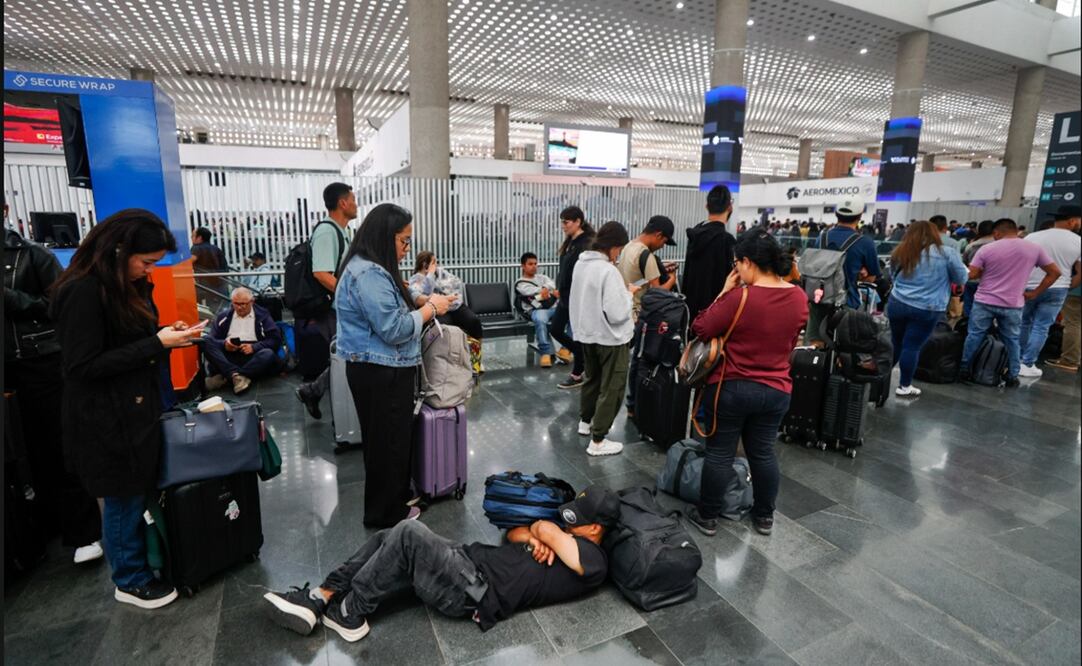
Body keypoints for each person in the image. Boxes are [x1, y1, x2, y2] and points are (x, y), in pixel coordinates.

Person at [51, 209, 201, 609]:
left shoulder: (121, 286)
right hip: (103, 418)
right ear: (119, 250)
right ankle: (130, 580)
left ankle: (139, 566)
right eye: (146, 262)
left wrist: (166, 337)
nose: (147, 271)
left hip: (134, 409)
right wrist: (157, 345)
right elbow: (84, 365)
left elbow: (126, 340)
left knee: (135, 492)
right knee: (122, 497)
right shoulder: (83, 291)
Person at [261, 486, 617, 642]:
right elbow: (516, 534)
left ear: (596, 529)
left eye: (578, 520)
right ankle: (323, 595)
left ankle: (352, 611)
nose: (569, 523)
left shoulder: (595, 562)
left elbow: (548, 531)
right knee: (389, 536)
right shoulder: (568, 541)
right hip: (467, 560)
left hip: (473, 591)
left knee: (408, 532)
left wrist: (548, 534)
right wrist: (539, 537)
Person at [335, 203, 455, 526]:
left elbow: (391, 304)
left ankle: (390, 503)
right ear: (386, 237)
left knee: (385, 443)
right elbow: (394, 328)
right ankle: (387, 514)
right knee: (388, 445)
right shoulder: (369, 273)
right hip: (381, 372)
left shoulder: (368, 265)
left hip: (379, 369)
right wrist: (431, 307)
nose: (406, 248)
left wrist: (417, 300)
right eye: (404, 241)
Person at [684, 229, 807, 537]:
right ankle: (764, 516)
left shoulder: (740, 297)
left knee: (720, 453)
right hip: (777, 389)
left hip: (733, 387)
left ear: (748, 262)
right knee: (763, 453)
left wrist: (724, 292)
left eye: (737, 263)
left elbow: (701, 327)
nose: (736, 270)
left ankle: (708, 516)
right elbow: (791, 340)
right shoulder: (798, 296)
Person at [4, 201, 103, 566]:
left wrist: (11, 298)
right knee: (20, 455)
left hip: (37, 362)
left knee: (56, 446)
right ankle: (32, 530)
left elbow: (56, 305)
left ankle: (83, 531)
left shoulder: (32, 256)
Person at [959, 218, 1061, 387]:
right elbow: (1054, 272)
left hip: (985, 301)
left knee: (975, 335)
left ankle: (964, 369)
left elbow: (972, 274)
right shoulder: (1034, 249)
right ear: (1015, 230)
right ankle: (1012, 375)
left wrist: (985, 272)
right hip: (1013, 303)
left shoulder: (987, 249)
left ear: (997, 232)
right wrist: (1035, 292)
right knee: (1012, 339)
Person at [570, 221, 637, 456]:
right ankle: (598, 440)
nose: (618, 255)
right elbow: (617, 314)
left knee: (592, 380)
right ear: (613, 246)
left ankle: (585, 423)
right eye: (619, 249)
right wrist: (629, 295)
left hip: (587, 333)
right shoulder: (608, 271)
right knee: (613, 387)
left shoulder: (581, 264)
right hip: (611, 338)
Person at [885, 221, 968, 397]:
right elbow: (961, 277)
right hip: (927, 307)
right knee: (912, 347)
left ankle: (881, 379)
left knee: (896, 342)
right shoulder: (947, 253)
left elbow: (893, 275)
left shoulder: (900, 251)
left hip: (898, 302)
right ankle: (904, 386)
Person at [295, 182, 356, 419]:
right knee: (345, 357)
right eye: (353, 199)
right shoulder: (327, 231)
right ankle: (315, 393)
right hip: (331, 308)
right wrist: (349, 296)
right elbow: (321, 273)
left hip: (338, 306)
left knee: (346, 356)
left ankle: (313, 391)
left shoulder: (341, 232)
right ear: (343, 203)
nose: (355, 203)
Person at [617, 215, 677, 419]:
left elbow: (636, 279)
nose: (662, 246)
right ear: (658, 235)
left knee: (634, 358)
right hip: (641, 315)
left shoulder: (627, 247)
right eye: (664, 241)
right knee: (640, 360)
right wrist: (673, 279)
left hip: (626, 310)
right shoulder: (647, 255)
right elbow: (658, 294)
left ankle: (632, 403)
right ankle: (635, 403)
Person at [805, 196, 880, 345]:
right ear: (859, 216)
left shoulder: (822, 237)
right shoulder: (865, 242)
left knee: (815, 342)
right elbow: (872, 278)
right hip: (846, 301)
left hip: (819, 297)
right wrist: (860, 274)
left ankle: (813, 363)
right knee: (844, 345)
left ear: (836, 214)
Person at [1018, 204, 1082, 378]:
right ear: (1072, 221)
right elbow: (1080, 272)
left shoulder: (1032, 236)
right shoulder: (1078, 241)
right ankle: (1028, 363)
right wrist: (1069, 285)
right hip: (1058, 288)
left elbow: (1020, 261)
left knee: (1024, 323)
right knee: (1041, 327)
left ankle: (1017, 360)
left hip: (1029, 286)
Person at [409, 251, 484, 374]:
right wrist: (430, 275)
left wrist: (443, 290)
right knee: (445, 328)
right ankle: (448, 363)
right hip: (437, 309)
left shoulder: (441, 272)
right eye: (434, 262)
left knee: (473, 321)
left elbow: (455, 283)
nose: (437, 265)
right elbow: (424, 293)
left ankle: (476, 358)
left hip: (453, 306)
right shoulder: (416, 279)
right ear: (425, 264)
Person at [203, 287, 283, 393]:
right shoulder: (223, 317)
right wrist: (225, 344)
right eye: (237, 304)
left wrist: (254, 347)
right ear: (232, 302)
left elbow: (275, 340)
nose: (240, 308)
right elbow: (213, 340)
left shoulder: (263, 316)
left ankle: (230, 377)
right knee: (205, 340)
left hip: (253, 355)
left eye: (244, 304)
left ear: (252, 302)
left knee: (267, 354)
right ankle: (238, 376)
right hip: (229, 354)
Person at [550, 206, 595, 389]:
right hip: (566, 297)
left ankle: (577, 373)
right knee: (556, 330)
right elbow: (565, 270)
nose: (563, 226)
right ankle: (581, 356)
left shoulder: (587, 243)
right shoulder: (571, 242)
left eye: (566, 222)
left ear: (578, 222)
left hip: (577, 298)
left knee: (577, 334)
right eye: (562, 222)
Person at [682, 185, 736, 324]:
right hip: (715, 314)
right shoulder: (727, 241)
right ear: (730, 207)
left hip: (691, 311)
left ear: (707, 206)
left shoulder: (695, 235)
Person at [515, 252, 562, 368]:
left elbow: (552, 283)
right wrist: (549, 291)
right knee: (540, 320)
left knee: (572, 315)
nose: (534, 266)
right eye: (530, 264)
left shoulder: (542, 277)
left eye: (535, 264)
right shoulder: (520, 283)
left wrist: (546, 288)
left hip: (553, 308)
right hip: (536, 310)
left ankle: (566, 350)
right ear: (523, 266)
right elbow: (529, 291)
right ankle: (545, 352)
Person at [961, 220, 996, 318]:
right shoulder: (998, 245)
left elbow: (963, 263)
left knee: (969, 305)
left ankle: (967, 326)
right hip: (990, 283)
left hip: (971, 280)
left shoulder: (971, 245)